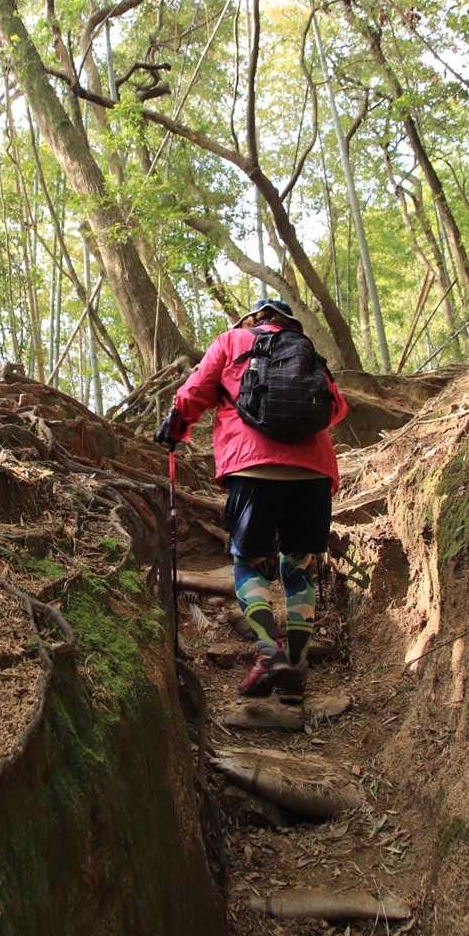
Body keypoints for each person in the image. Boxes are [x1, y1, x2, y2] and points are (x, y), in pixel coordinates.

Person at [155, 298, 348, 698]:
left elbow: (193, 394)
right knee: (298, 567)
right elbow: (337, 409)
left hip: (252, 468)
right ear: (288, 324)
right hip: (313, 473)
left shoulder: (232, 341)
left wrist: (174, 430)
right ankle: (295, 671)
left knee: (247, 564)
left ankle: (269, 654)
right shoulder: (305, 350)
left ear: (253, 319)